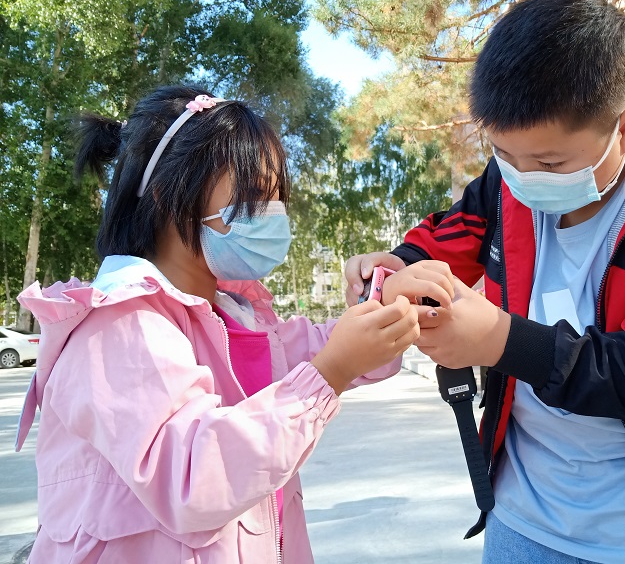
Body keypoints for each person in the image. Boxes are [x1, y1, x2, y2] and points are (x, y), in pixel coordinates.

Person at [345, 0, 625, 564]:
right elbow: (459, 229)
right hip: (522, 522)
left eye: (551, 164)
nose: (525, 179)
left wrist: (502, 342)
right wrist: (396, 264)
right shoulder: (513, 172)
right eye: (505, 155)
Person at [14, 85, 452, 563]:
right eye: (253, 195)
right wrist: (328, 376)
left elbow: (322, 345)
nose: (274, 214)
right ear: (168, 193)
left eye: (277, 196)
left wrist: (382, 300)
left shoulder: (233, 315)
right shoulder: (120, 326)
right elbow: (192, 478)